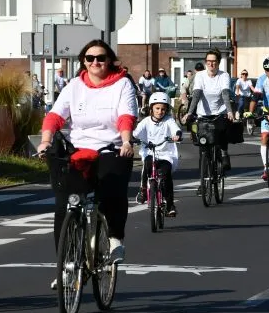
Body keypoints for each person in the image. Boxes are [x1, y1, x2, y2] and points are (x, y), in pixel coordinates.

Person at [38, 40, 137, 289]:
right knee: (64, 205)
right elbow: (55, 116)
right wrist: (46, 141)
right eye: (90, 58)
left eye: (101, 58)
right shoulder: (74, 86)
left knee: (111, 191)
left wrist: (126, 141)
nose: (95, 62)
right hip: (79, 149)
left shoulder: (122, 84)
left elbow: (126, 116)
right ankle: (67, 266)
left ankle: (114, 238)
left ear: (109, 60)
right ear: (83, 61)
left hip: (111, 147)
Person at [185, 48, 235, 179]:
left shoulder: (224, 75)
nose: (211, 64)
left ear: (218, 62)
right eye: (208, 61)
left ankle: (224, 153)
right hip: (203, 114)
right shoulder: (200, 76)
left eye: (214, 61)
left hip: (220, 113)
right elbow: (196, 94)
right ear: (205, 62)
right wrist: (189, 113)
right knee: (203, 148)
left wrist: (229, 111)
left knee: (222, 133)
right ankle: (203, 181)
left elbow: (225, 94)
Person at [134, 92, 182, 217]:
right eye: (157, 108)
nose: (160, 111)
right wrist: (132, 138)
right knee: (147, 164)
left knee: (166, 174)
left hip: (165, 153)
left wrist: (177, 135)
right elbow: (136, 132)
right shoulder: (146, 121)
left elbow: (175, 128)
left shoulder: (168, 120)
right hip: (150, 151)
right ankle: (143, 190)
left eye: (163, 109)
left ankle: (170, 205)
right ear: (151, 108)